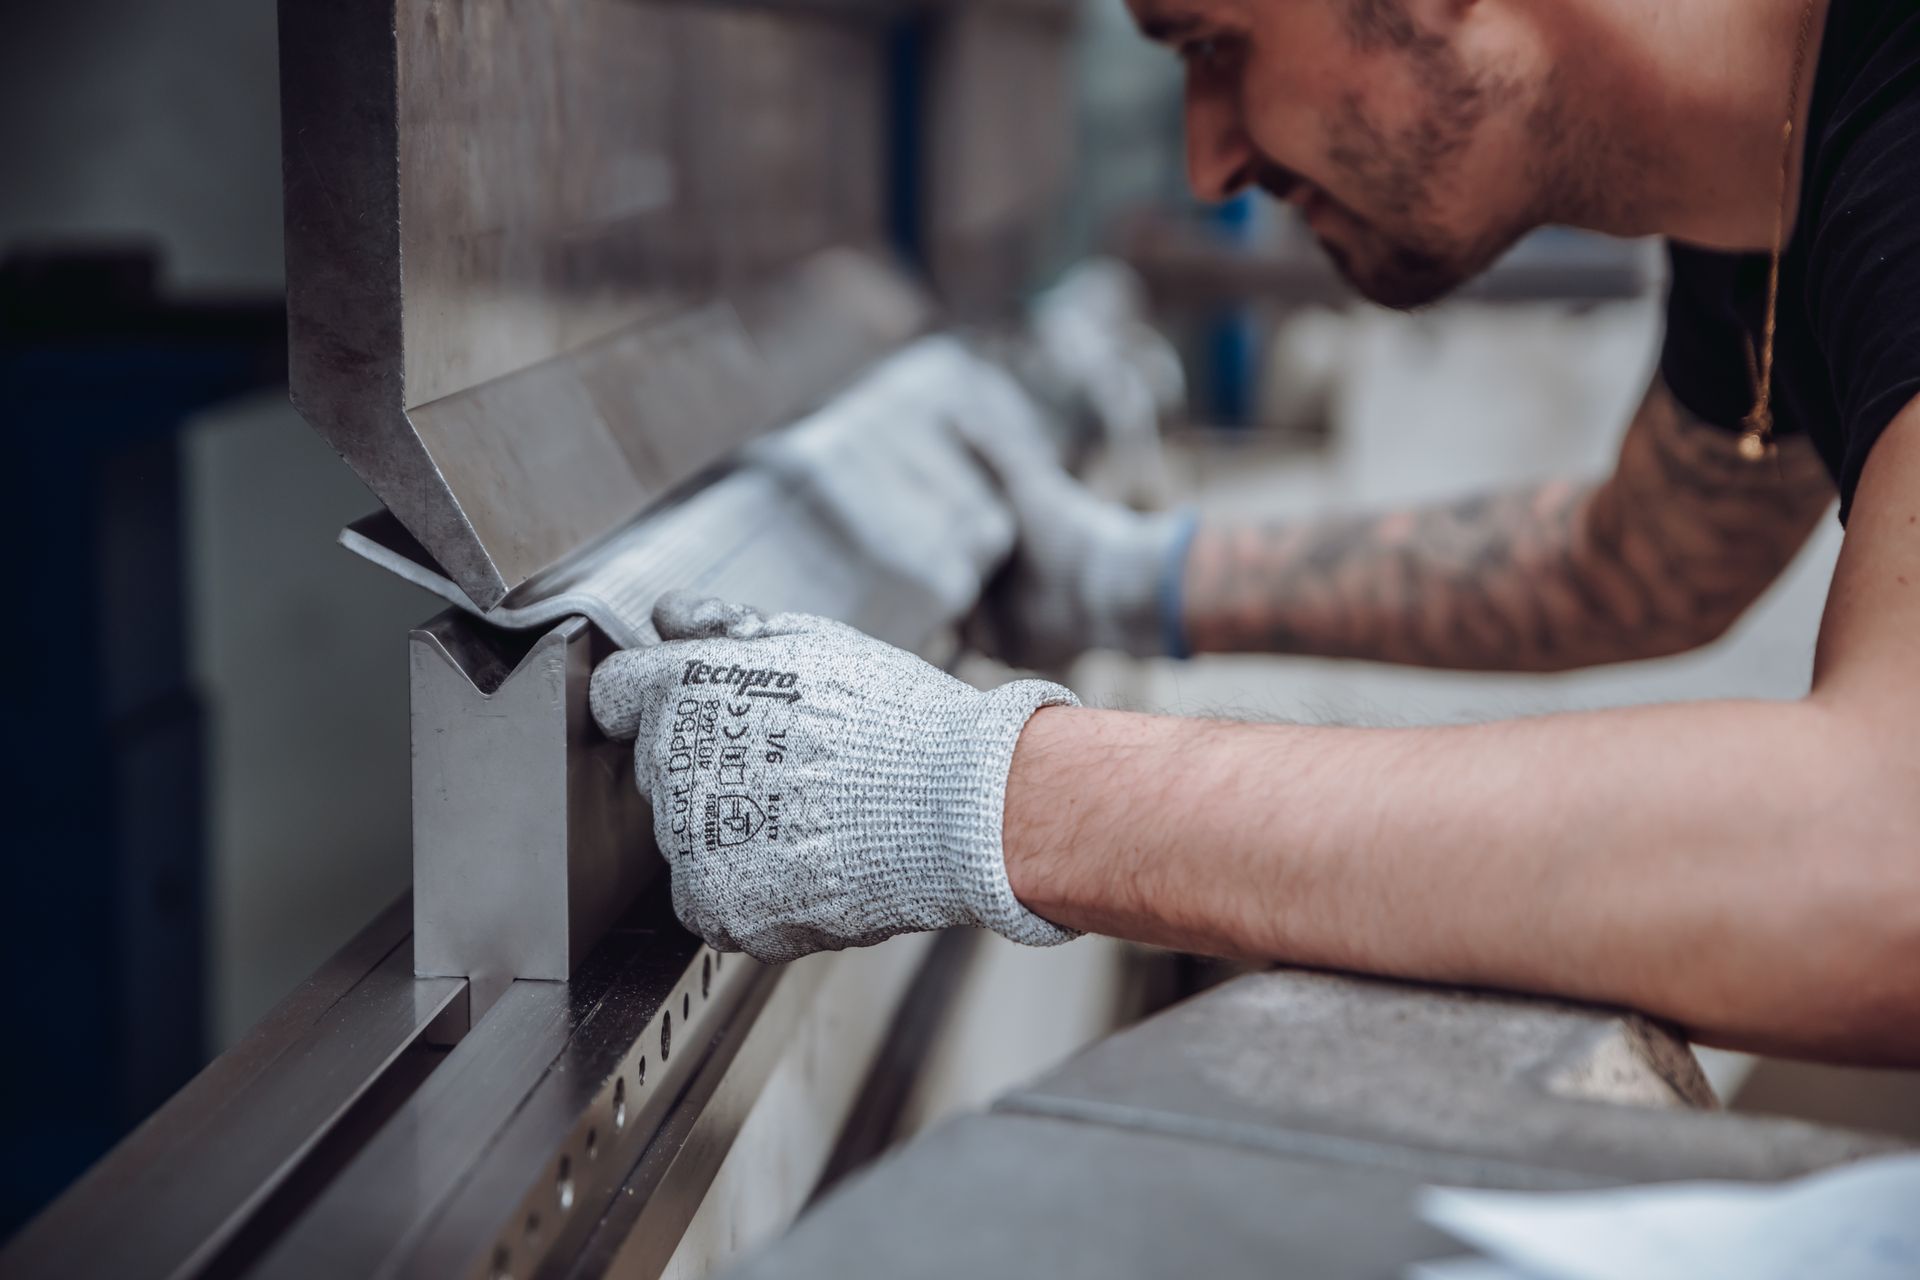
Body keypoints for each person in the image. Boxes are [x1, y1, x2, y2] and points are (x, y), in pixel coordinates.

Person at [590, 0, 1920, 1065]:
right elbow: (1653, 558)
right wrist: (1129, 580)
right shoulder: (1767, 168)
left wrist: (983, 797)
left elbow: (1886, 855)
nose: (1207, 159)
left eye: (1215, 47)